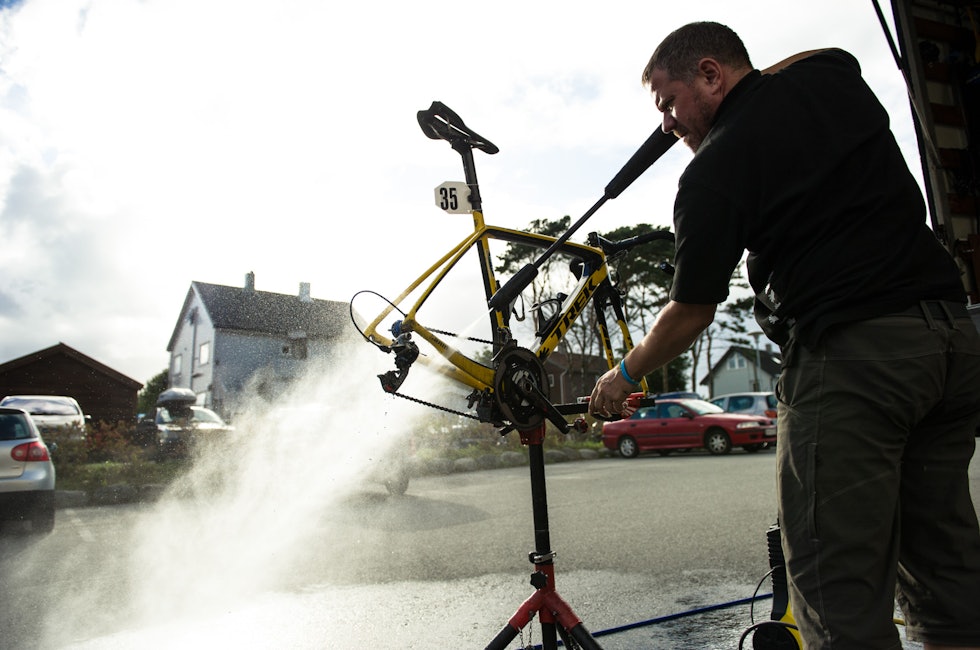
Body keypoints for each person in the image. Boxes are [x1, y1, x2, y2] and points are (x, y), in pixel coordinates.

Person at [589, 21, 980, 650]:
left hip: (857, 360)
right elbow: (827, 53)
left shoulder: (713, 170)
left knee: (836, 591)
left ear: (712, 74)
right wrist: (750, 85)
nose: (665, 125)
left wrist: (623, 375)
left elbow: (690, 311)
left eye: (668, 103)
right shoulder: (829, 76)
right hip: (951, 344)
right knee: (945, 567)